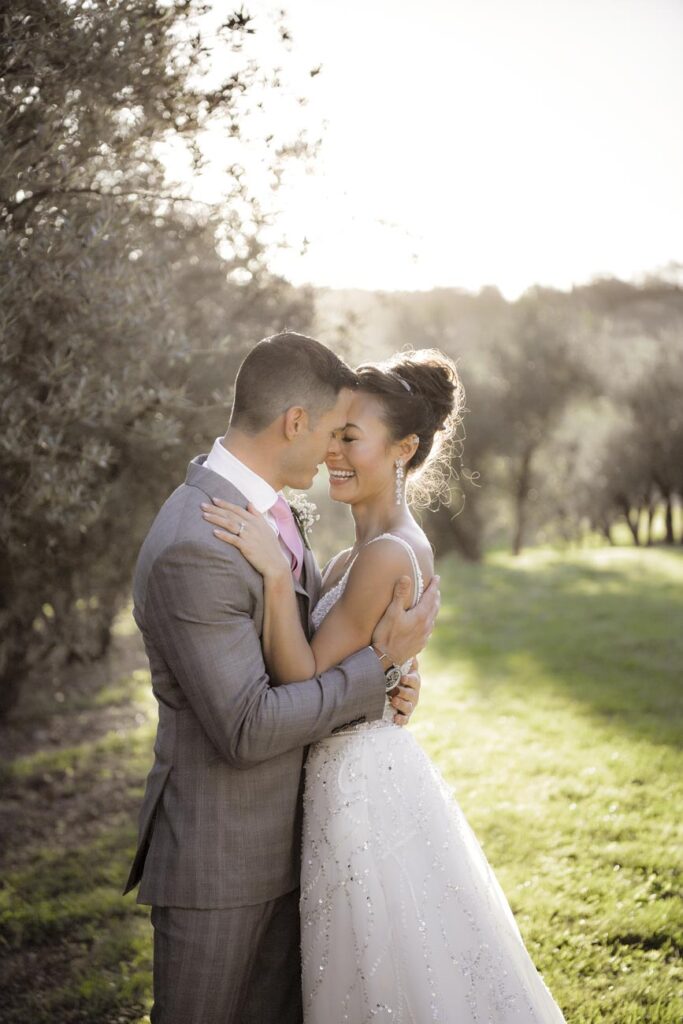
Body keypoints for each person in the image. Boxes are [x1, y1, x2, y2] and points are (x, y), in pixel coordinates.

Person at [204, 347, 567, 1023]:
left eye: (349, 437)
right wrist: (393, 673)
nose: (331, 452)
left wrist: (276, 577)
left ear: (401, 449)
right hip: (353, 772)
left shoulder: (384, 554)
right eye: (329, 434)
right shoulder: (360, 552)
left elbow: (303, 673)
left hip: (358, 789)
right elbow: (354, 662)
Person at [123, 332, 440, 1024]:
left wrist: (379, 689)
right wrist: (375, 673)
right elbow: (245, 726)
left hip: (301, 847)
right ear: (294, 422)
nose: (332, 450)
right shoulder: (196, 543)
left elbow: (301, 653)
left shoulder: (273, 515)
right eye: (332, 430)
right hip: (221, 867)